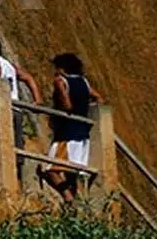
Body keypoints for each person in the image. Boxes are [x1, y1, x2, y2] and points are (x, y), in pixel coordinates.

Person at [38, 53, 104, 203]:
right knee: (72, 172)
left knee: (49, 169)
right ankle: (74, 203)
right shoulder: (84, 82)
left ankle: (69, 200)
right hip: (83, 133)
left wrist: (58, 110)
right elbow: (100, 99)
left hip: (67, 133)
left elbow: (67, 105)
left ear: (61, 68)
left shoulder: (60, 81)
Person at [0, 36, 43, 180]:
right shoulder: (9, 65)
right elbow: (29, 78)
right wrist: (37, 99)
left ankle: (0, 180)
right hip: (16, 109)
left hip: (2, 108)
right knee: (16, 147)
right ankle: (18, 181)